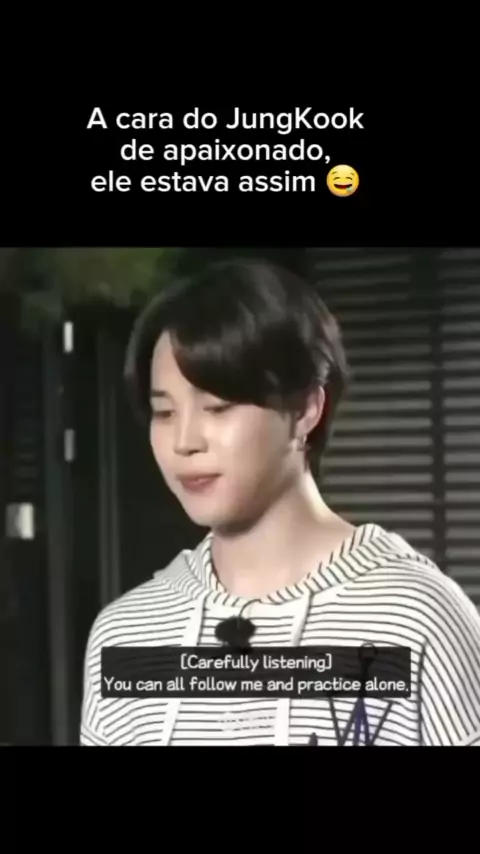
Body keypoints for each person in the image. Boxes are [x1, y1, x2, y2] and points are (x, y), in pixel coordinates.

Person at [80, 258, 480, 746]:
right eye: (164, 412)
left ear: (307, 408)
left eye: (217, 407)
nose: (184, 442)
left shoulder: (415, 618)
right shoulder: (127, 637)